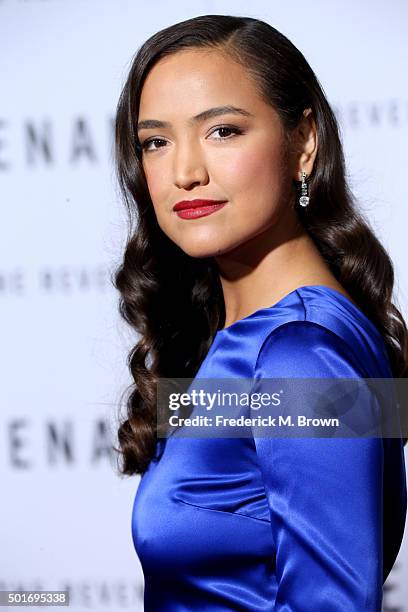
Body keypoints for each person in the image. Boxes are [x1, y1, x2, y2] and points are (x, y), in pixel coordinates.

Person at [112, 14, 407, 611]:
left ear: (304, 142)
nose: (185, 173)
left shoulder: (299, 352)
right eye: (155, 142)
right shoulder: (260, 335)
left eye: (222, 131)